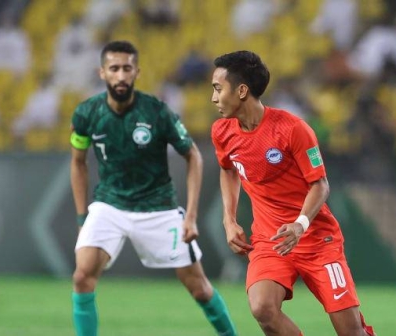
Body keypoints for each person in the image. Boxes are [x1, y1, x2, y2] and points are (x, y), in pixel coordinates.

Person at [69, 40, 238, 336]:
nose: (121, 75)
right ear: (102, 73)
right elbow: (78, 163)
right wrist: (83, 217)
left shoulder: (157, 112)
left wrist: (190, 217)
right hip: (109, 205)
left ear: (136, 72)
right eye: (114, 69)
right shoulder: (85, 114)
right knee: (82, 276)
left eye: (127, 69)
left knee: (199, 288)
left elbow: (193, 156)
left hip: (158, 208)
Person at [210, 50, 375, 336]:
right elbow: (228, 169)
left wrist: (300, 225)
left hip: (317, 240)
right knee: (262, 307)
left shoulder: (292, 129)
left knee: (351, 331)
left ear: (241, 90)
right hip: (270, 240)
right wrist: (229, 218)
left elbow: (320, 184)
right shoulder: (222, 131)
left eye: (218, 89)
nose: (213, 98)